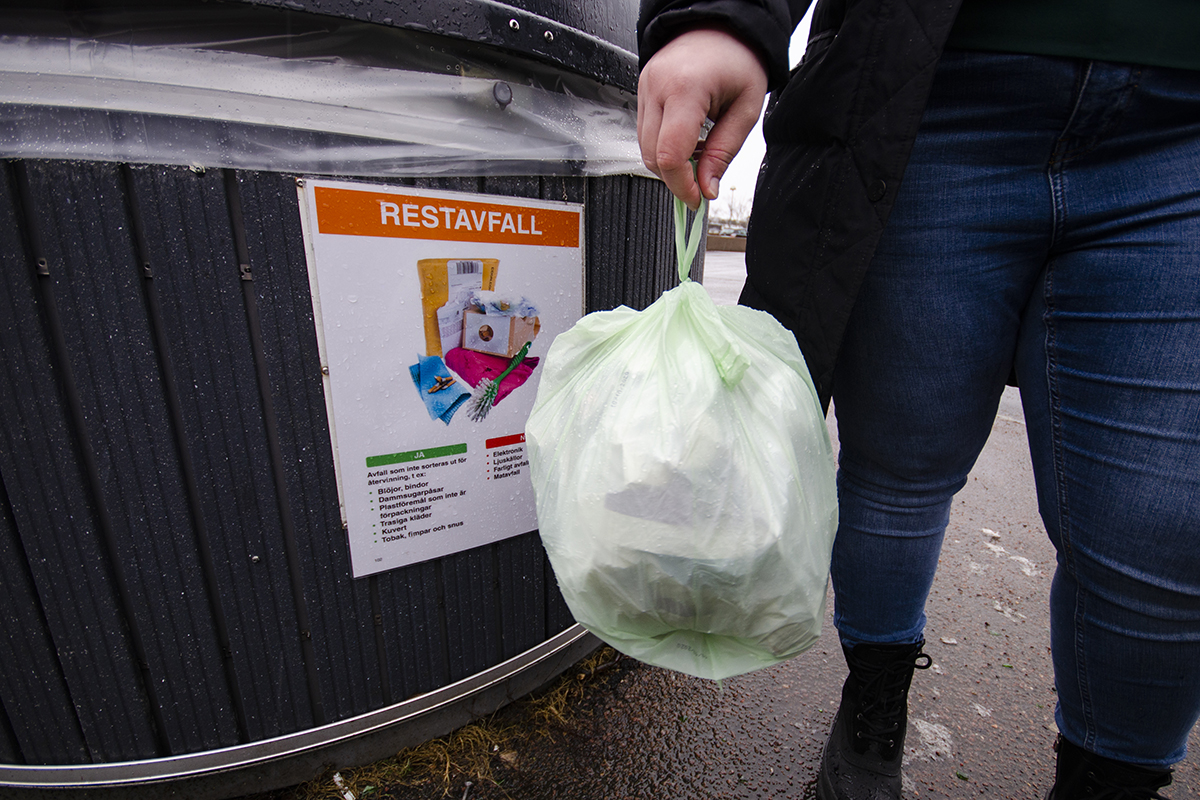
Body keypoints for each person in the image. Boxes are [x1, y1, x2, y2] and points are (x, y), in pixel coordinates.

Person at [637, 1, 1200, 798]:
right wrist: (723, 16)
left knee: (1168, 533)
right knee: (897, 469)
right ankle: (873, 701)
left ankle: (1112, 781)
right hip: (929, 100)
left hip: (1184, 136)